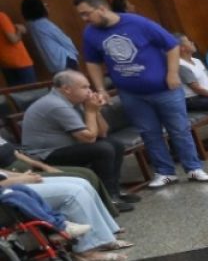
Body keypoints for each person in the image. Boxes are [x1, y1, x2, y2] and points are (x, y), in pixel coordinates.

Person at [74, 0, 208, 190]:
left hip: (164, 88)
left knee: (179, 128)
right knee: (149, 132)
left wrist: (173, 73)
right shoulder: (90, 33)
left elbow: (172, 45)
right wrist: (101, 88)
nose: (84, 19)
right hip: (130, 92)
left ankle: (193, 167)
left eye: (87, 13)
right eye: (81, 15)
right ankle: (165, 172)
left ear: (102, 9)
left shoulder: (138, 23)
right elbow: (92, 62)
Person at [19, 69, 135, 209]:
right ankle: (107, 199)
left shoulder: (74, 101)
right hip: (45, 154)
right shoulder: (56, 104)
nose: (89, 91)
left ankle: (114, 191)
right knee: (102, 149)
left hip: (67, 147)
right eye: (84, 87)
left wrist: (96, 111)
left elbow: (103, 133)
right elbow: (89, 139)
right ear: (67, 89)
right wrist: (90, 111)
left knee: (115, 144)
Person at [0, 141, 127, 261]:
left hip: (12, 180)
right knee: (73, 193)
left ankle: (102, 237)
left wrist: (21, 176)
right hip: (7, 190)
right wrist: (21, 179)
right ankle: (85, 252)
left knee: (82, 183)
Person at [19, 0, 80, 74]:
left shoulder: (30, 25)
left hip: (52, 64)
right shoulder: (45, 23)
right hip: (64, 59)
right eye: (45, 5)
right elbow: (64, 40)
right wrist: (74, 54)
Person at [0, 8, 39, 85]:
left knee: (17, 93)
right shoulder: (1, 17)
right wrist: (20, 30)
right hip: (20, 61)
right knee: (33, 92)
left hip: (5, 64)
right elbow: (13, 40)